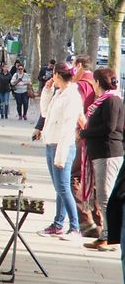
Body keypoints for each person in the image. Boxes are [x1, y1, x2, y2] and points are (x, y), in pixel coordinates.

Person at [37, 62, 83, 240]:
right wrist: (47, 92)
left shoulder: (72, 97)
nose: (51, 78)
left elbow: (67, 127)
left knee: (63, 187)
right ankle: (58, 223)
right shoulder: (58, 93)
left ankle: (75, 227)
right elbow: (45, 112)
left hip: (62, 145)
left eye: (53, 75)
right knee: (58, 188)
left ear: (57, 75)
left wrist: (61, 154)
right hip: (51, 143)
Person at [79, 68, 124, 250]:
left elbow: (109, 127)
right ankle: (105, 234)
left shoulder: (111, 100)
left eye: (94, 82)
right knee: (102, 196)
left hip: (108, 152)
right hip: (100, 153)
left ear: (98, 82)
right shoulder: (105, 100)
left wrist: (85, 132)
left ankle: (111, 237)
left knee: (105, 196)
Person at [71, 54, 102, 238]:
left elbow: (77, 110)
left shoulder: (80, 85)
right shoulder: (95, 85)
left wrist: (78, 130)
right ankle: (99, 223)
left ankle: (86, 220)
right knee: (95, 181)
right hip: (96, 139)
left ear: (80, 65)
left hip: (83, 137)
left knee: (74, 178)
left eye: (74, 65)